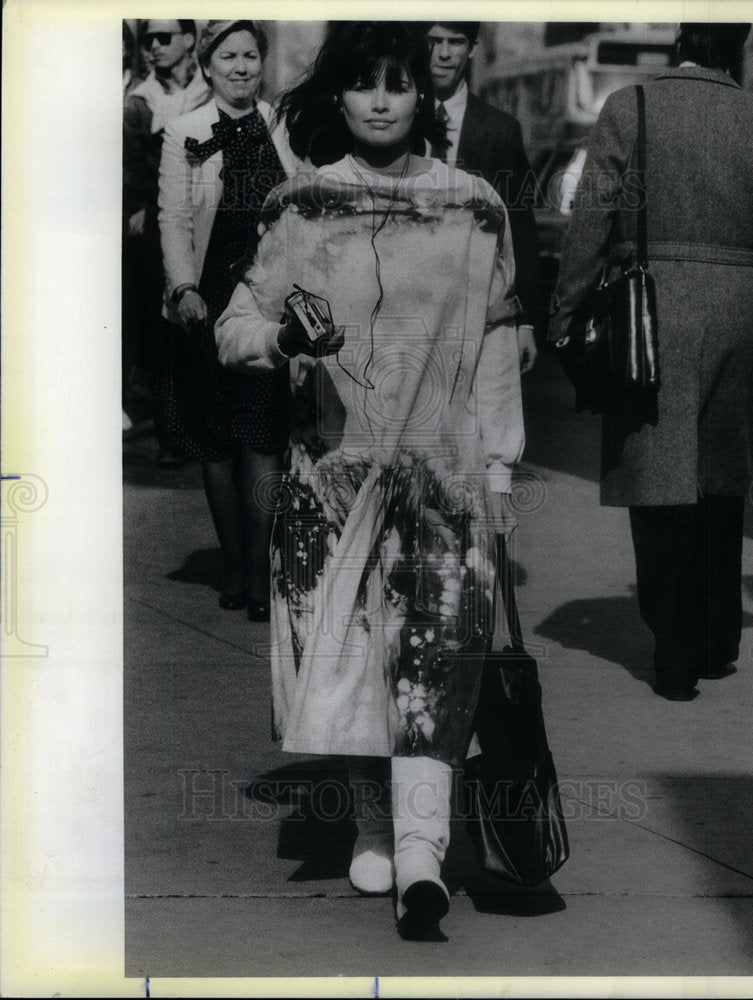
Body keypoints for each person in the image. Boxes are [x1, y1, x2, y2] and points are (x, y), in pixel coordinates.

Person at [215, 22, 524, 939]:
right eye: (364, 84)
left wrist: (501, 465)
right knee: (346, 655)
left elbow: (499, 344)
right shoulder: (300, 206)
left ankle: (423, 857)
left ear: (421, 95)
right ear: (339, 97)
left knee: (433, 657)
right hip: (330, 475)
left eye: (398, 83)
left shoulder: (473, 206)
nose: (383, 100)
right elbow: (235, 325)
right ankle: (376, 825)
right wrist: (278, 341)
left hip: (443, 474)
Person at [548, 24, 753, 701]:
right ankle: (716, 636)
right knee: (721, 475)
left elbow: (592, 220)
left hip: (649, 309)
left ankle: (673, 648)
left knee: (657, 479)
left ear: (678, 41)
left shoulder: (630, 108)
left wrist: (565, 312)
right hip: (740, 304)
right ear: (738, 48)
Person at [158, 20, 301, 620]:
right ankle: (236, 568)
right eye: (229, 57)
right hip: (207, 301)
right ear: (208, 66)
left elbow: (300, 202)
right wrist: (184, 287)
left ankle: (266, 574)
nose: (241, 67)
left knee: (263, 435)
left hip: (266, 301)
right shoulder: (184, 131)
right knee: (217, 442)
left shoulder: (280, 125)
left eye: (250, 56)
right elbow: (173, 219)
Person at [423, 21, 541, 373]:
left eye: (455, 42)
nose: (443, 53)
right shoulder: (396, 122)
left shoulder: (501, 131)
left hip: (477, 313)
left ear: (472, 47)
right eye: (434, 41)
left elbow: (520, 227)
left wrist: (526, 322)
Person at [122, 20, 210, 455]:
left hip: (209, 212)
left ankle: (205, 421)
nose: (154, 47)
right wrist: (139, 205)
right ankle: (172, 432)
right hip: (159, 218)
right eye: (148, 40)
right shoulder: (141, 102)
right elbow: (133, 167)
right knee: (166, 321)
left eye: (164, 37)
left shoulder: (209, 88)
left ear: (190, 39)